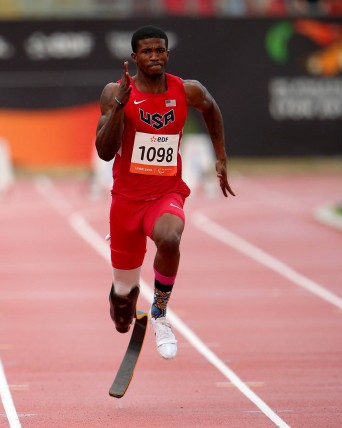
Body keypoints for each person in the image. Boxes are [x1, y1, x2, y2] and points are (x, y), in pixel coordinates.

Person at [95, 26, 235, 359]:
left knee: (170, 237)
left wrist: (221, 154)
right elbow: (103, 150)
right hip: (127, 200)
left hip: (166, 192)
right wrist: (118, 107)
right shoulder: (114, 92)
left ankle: (159, 313)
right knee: (123, 302)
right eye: (147, 51)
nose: (154, 56)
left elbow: (211, 108)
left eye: (160, 50)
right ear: (134, 57)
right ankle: (123, 303)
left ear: (168, 54)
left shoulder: (186, 90)